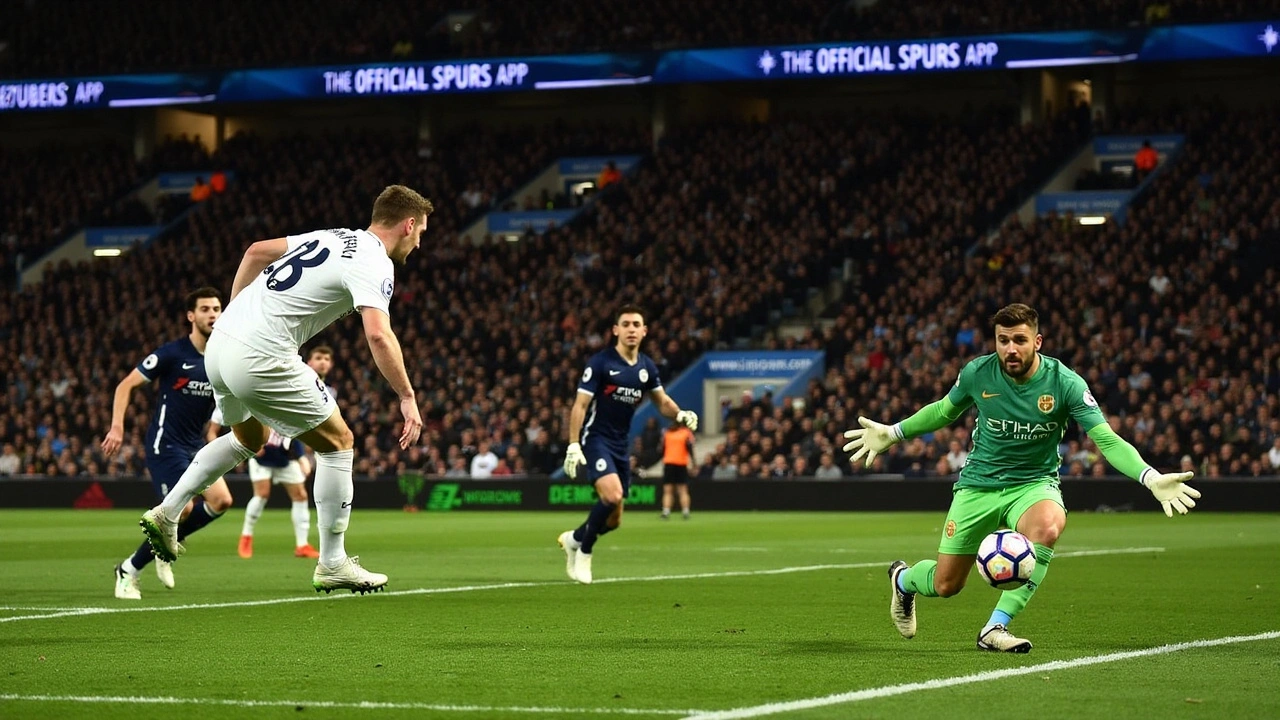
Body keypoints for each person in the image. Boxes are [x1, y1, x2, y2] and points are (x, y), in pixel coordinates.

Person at [843, 303, 1201, 653]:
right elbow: (943, 411)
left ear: (1038, 342)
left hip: (1032, 485)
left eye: (1019, 340)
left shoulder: (1065, 384)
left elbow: (1105, 439)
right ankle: (903, 580)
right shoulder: (978, 373)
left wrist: (1149, 477)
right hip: (977, 486)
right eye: (1003, 340)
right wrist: (894, 432)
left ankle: (995, 627)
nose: (1010, 349)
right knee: (947, 584)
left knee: (1047, 527)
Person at [137, 184, 432, 595]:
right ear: (409, 223)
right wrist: (406, 396)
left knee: (247, 437)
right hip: (261, 353)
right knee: (339, 442)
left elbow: (256, 250)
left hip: (221, 346)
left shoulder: (333, 236)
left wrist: (235, 314)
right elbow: (379, 337)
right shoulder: (376, 262)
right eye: (420, 234)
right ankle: (332, 562)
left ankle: (168, 514)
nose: (418, 245)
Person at [103, 287, 230, 600]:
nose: (212, 314)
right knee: (183, 509)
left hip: (196, 446)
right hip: (166, 444)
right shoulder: (172, 354)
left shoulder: (222, 356)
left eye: (216, 308)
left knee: (221, 501)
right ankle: (128, 570)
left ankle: (162, 546)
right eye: (205, 309)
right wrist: (117, 426)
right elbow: (125, 385)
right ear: (191, 316)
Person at [558, 304, 699, 584]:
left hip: (621, 446)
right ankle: (584, 552)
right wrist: (573, 444)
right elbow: (580, 405)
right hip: (596, 439)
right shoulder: (600, 363)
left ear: (644, 331)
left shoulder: (647, 367)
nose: (631, 329)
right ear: (615, 330)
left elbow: (662, 402)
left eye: (637, 324)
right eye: (626, 324)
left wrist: (681, 413)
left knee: (614, 520)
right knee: (611, 496)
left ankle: (574, 538)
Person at [237, 345, 336, 560]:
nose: (323, 362)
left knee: (300, 495)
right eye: (318, 357)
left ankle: (302, 545)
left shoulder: (328, 391)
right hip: (265, 450)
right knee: (262, 494)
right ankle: (246, 536)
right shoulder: (297, 381)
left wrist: (301, 454)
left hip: (286, 451)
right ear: (307, 362)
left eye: (327, 359)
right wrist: (255, 441)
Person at [660, 419, 696, 520]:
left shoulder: (667, 433)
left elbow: (662, 449)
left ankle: (666, 511)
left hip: (669, 463)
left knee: (668, 490)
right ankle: (685, 511)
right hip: (681, 463)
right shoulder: (686, 433)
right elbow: (690, 447)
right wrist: (694, 462)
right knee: (683, 490)